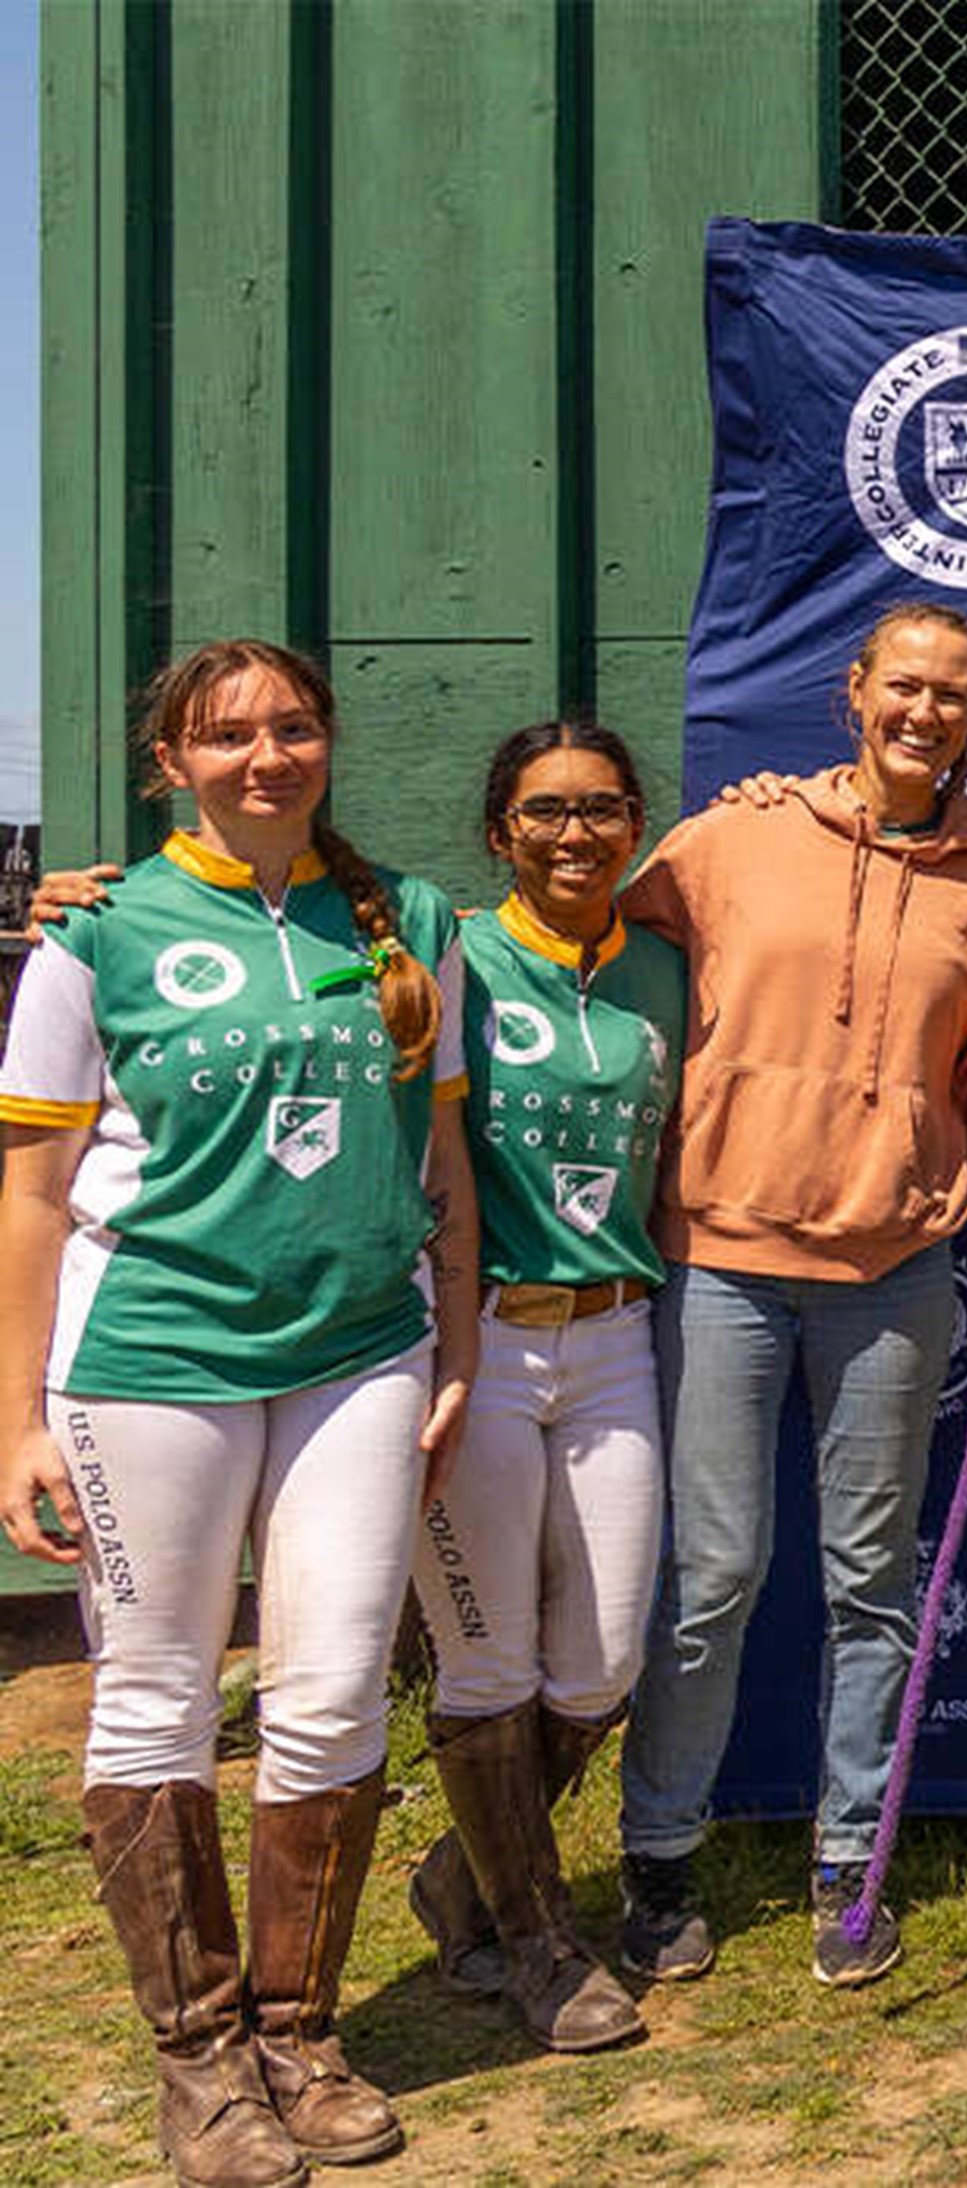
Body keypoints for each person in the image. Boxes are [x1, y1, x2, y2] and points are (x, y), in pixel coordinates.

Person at [0, 640, 473, 2186]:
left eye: (293, 728)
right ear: (173, 763)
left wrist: (451, 1342)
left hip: (358, 1354)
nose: (266, 757)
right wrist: (15, 1416)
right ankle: (197, 2063)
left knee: (333, 1696)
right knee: (157, 1701)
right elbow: (32, 1193)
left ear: (328, 742)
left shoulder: (413, 920)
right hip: (147, 1362)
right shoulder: (99, 932)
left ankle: (299, 2034)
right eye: (227, 737)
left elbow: (446, 1172)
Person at [615, 600, 967, 1989]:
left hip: (892, 1272)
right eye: (904, 685)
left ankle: (847, 1863)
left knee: (873, 1584)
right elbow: (574, 940)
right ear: (855, 694)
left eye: (953, 694)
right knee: (712, 1578)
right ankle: (659, 1861)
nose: (924, 711)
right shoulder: (728, 838)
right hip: (720, 1259)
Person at [401, 723, 681, 2053]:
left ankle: (460, 1878)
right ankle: (538, 1946)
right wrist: (73, 896)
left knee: (601, 1662)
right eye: (546, 812)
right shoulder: (444, 953)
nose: (577, 834)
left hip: (617, 1333)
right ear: (501, 829)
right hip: (482, 1334)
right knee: (487, 1659)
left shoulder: (667, 970)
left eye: (604, 809)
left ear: (636, 823)